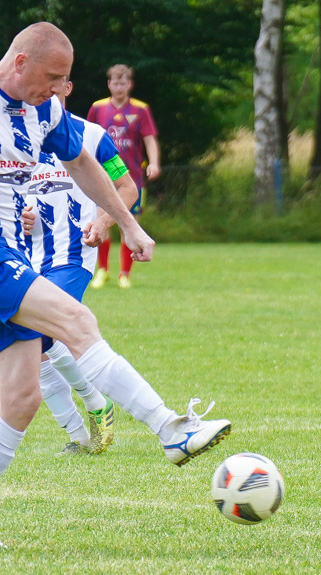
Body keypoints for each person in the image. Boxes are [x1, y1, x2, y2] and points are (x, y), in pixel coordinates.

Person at [0, 22, 229, 481]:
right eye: (52, 78)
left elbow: (82, 162)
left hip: (16, 252)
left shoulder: (44, 111)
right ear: (20, 62)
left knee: (23, 395)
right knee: (76, 322)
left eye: (64, 79)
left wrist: (128, 225)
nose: (58, 89)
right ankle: (169, 427)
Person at [24, 79, 139, 455]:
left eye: (53, 85)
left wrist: (104, 221)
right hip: (26, 255)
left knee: (40, 333)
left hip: (73, 255)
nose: (44, 93)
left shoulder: (92, 134)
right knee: (34, 346)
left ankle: (94, 404)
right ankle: (79, 434)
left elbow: (127, 187)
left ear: (68, 87)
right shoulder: (18, 134)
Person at [86, 63, 160, 289]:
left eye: (123, 82)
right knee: (101, 221)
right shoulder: (98, 108)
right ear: (109, 84)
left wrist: (154, 163)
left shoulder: (140, 109)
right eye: (115, 82)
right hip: (103, 176)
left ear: (130, 85)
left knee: (130, 224)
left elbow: (149, 138)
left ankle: (124, 274)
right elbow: (87, 137)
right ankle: (102, 270)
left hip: (133, 177)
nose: (119, 87)